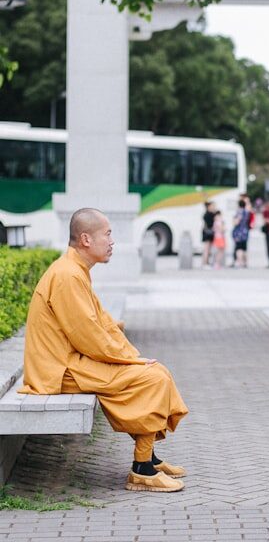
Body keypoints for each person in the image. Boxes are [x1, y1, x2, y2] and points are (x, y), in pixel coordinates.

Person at [20, 208, 188, 492]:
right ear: (86, 239)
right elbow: (88, 335)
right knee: (152, 378)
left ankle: (150, 458)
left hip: (69, 361)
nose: (113, 241)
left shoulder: (75, 270)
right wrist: (130, 361)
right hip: (58, 370)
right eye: (107, 234)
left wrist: (131, 356)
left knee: (152, 372)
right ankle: (142, 471)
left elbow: (102, 322)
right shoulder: (68, 275)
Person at [232, 199, 251, 268]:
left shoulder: (239, 212)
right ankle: (245, 262)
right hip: (245, 231)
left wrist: (234, 222)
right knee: (244, 248)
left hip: (239, 232)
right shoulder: (247, 212)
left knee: (238, 248)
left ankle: (239, 262)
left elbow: (236, 222)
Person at [201, 202, 216, 268]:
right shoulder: (210, 214)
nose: (214, 207)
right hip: (208, 233)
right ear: (209, 206)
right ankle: (205, 263)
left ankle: (206, 262)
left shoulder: (206, 214)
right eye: (213, 206)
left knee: (207, 249)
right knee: (207, 249)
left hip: (206, 232)